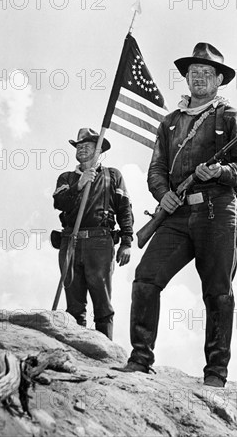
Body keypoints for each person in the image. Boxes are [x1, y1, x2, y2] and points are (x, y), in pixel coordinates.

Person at [117, 43, 237, 388]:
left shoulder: (231, 117)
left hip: (217, 211)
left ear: (219, 79)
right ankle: (140, 358)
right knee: (146, 278)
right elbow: (157, 169)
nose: (200, 77)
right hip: (176, 214)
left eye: (207, 72)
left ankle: (216, 374)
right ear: (187, 77)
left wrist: (220, 173)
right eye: (194, 72)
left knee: (218, 291)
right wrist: (163, 197)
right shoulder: (170, 122)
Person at [53, 128, 133, 340]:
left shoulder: (112, 176)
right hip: (70, 240)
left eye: (87, 144)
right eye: (79, 145)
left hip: (100, 242)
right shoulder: (66, 177)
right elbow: (59, 203)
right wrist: (79, 185)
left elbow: (125, 209)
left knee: (102, 303)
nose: (81, 147)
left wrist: (126, 242)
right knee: (74, 304)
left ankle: (104, 351)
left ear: (99, 150)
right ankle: (78, 350)